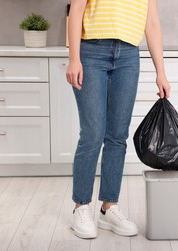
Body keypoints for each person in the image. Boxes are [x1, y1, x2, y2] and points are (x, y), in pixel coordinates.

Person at [66, 0, 170, 239]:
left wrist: (160, 73)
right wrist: (74, 58)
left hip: (128, 56)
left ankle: (108, 207)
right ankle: (81, 207)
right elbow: (77, 10)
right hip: (91, 52)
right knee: (92, 134)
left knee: (117, 136)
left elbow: (152, 22)